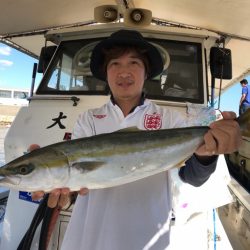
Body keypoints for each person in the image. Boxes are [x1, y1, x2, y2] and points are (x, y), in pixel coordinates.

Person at [32, 29, 241, 250]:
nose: (124, 72)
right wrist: (65, 196)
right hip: (90, 236)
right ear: (105, 73)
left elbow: (192, 177)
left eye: (134, 63)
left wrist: (205, 157)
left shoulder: (169, 119)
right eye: (115, 64)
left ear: (146, 72)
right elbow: (79, 185)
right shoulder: (89, 119)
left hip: (148, 235)